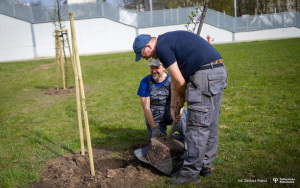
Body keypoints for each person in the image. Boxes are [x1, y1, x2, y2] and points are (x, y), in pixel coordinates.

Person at [133, 30, 228, 185]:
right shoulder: (169, 39)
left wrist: (181, 100)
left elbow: (179, 82)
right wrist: (174, 105)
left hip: (204, 76)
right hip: (217, 71)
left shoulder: (162, 47)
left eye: (146, 55)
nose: (149, 59)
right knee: (210, 123)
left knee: (197, 127)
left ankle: (190, 173)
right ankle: (205, 166)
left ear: (148, 46)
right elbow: (179, 79)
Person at [137, 58, 186, 140]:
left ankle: (184, 142)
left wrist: (180, 114)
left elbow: (179, 101)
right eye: (152, 68)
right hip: (155, 114)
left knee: (186, 128)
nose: (154, 71)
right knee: (157, 141)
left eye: (157, 68)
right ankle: (168, 138)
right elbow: (146, 108)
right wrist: (154, 127)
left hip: (171, 110)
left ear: (164, 67)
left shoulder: (172, 80)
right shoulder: (145, 82)